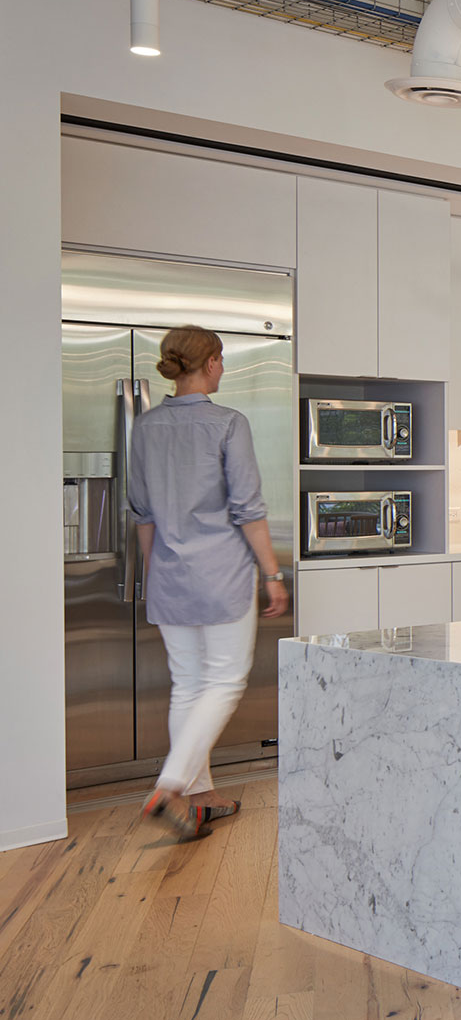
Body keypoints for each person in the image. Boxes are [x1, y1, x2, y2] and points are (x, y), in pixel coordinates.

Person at [129, 326, 288, 840]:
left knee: (189, 685)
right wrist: (273, 574)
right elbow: (248, 510)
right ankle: (171, 785)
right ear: (213, 362)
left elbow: (144, 513)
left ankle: (200, 800)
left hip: (170, 577)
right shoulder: (228, 424)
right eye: (222, 359)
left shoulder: (145, 426)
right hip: (223, 577)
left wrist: (156, 575)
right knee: (224, 683)